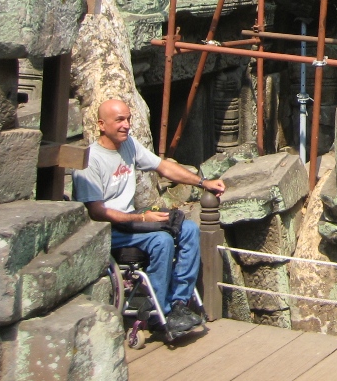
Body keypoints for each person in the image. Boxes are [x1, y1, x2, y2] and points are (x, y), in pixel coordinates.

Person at [72, 98, 226, 338]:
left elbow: (163, 167)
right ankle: (159, 310)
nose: (126, 125)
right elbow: (96, 212)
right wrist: (142, 218)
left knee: (188, 229)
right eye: (119, 120)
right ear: (102, 125)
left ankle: (179, 304)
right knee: (161, 241)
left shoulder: (129, 146)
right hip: (108, 230)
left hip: (134, 221)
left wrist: (203, 183)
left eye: (128, 119)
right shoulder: (90, 160)